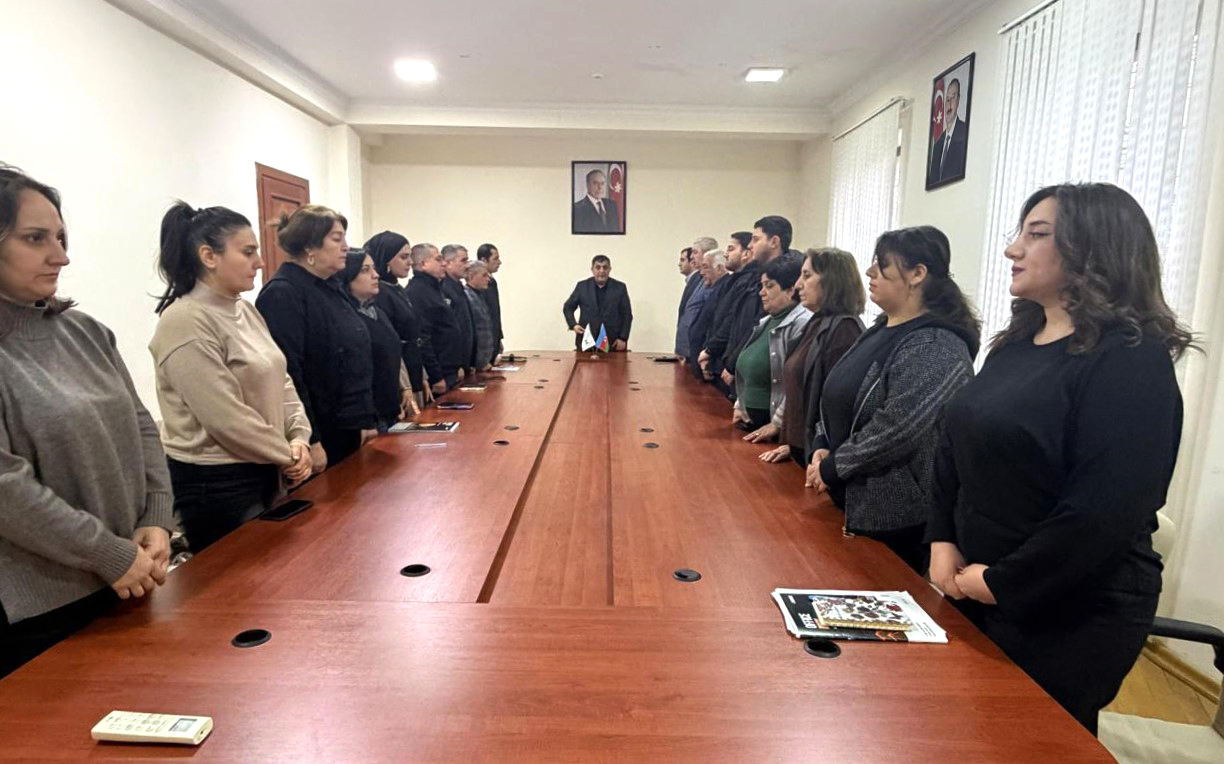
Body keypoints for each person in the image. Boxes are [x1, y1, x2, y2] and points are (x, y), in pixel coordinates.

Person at [928, 183, 1190, 735]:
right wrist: (942, 538)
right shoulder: (1017, 344)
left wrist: (1003, 581)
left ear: (1092, 249)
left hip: (1069, 609)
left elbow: (1104, 511)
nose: (1013, 249)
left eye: (1036, 234)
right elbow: (956, 442)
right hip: (976, 581)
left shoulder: (1130, 359)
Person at [0, 166, 174, 678]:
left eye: (60, 237)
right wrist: (106, 553)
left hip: (130, 574)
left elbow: (141, 425)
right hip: (39, 609)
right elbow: (6, 489)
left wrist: (156, 517)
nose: (61, 256)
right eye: (36, 239)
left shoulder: (86, 332)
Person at [806, 226, 979, 575]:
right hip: (844, 497)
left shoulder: (938, 344)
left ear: (917, 274)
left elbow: (898, 427)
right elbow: (836, 393)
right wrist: (822, 443)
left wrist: (835, 466)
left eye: (882, 264)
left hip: (894, 517)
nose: (870, 272)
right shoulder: (880, 328)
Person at [149, 202, 312, 552]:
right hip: (218, 484)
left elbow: (281, 380)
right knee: (242, 580)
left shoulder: (245, 310)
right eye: (248, 252)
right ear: (209, 256)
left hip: (268, 467)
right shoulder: (185, 320)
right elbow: (225, 418)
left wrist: (299, 437)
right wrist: (286, 453)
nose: (260, 262)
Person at [256, 205, 376, 468]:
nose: (346, 247)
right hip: (319, 432)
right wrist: (311, 439)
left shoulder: (330, 287)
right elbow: (290, 372)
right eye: (336, 239)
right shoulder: (283, 293)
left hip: (348, 425)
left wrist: (364, 420)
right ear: (310, 246)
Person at [757, 248, 865, 465]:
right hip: (801, 448)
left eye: (806, 276)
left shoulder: (844, 329)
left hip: (819, 458)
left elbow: (836, 405)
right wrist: (791, 443)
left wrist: (816, 450)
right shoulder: (817, 322)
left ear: (832, 280)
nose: (798, 284)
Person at [339, 248, 416, 432]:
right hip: (368, 416)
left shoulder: (377, 311)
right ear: (347, 277)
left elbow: (392, 352)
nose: (376, 275)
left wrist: (403, 388)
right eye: (365, 270)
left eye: (373, 268)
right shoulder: (346, 317)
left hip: (390, 408)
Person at [732, 252, 811, 431]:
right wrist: (739, 405)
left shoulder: (802, 323)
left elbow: (795, 382)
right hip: (749, 421)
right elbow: (747, 369)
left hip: (772, 429)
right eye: (762, 285)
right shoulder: (766, 321)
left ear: (790, 290)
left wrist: (776, 424)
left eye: (769, 286)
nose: (761, 292)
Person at [717, 216, 794, 389]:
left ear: (774, 241)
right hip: (740, 365)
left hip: (761, 375)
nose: (751, 245)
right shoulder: (753, 276)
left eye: (756, 239)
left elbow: (758, 326)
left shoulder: (787, 276)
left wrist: (733, 363)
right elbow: (735, 319)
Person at [365, 231, 442, 405]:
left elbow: (414, 336)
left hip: (413, 371)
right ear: (386, 259)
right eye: (403, 257)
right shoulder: (379, 294)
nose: (410, 262)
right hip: (398, 379)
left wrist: (422, 375)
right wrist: (405, 385)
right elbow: (390, 344)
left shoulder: (397, 289)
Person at [699, 231, 752, 394]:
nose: (726, 254)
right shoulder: (734, 281)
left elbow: (734, 323)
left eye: (731, 249)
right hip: (719, 360)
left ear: (746, 253)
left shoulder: (748, 283)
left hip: (728, 364)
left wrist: (710, 350)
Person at [407, 243, 464, 390]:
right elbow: (423, 337)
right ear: (423, 264)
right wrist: (436, 376)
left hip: (449, 370)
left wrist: (457, 365)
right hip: (439, 375)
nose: (444, 263)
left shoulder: (434, 288)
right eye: (438, 259)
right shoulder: (418, 292)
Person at [562, 255, 632, 350]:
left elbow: (627, 315)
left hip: (613, 342)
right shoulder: (582, 287)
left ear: (609, 269)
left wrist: (623, 338)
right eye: (598, 267)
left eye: (605, 267)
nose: (601, 271)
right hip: (586, 341)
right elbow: (568, 307)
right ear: (592, 269)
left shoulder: (619, 288)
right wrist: (573, 325)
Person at [687, 248, 729, 375]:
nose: (701, 272)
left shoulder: (725, 289)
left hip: (711, 361)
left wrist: (709, 352)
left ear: (719, 268)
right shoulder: (715, 288)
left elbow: (719, 325)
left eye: (705, 267)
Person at [676, 237, 717, 357]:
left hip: (698, 349)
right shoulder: (698, 279)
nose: (692, 257)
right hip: (686, 347)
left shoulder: (711, 281)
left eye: (695, 252)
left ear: (707, 254)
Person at [441, 244, 477, 378]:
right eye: (463, 260)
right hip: (453, 365)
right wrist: (457, 364)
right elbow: (449, 331)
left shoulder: (458, 286)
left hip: (465, 362)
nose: (467, 265)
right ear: (448, 263)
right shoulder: (444, 288)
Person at [928, 77, 967, 186]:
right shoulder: (937, 145)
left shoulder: (964, 133)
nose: (949, 104)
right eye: (947, 99)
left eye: (953, 98)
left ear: (958, 100)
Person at [464, 260, 497, 369]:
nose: (488, 279)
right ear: (472, 276)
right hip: (475, 362)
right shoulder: (467, 297)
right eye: (484, 275)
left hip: (485, 359)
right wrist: (477, 361)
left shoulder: (480, 295)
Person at [476, 243, 503, 359]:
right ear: (483, 260)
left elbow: (495, 312)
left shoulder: (492, 282)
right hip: (485, 342)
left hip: (494, 338)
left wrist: (499, 337)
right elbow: (484, 316)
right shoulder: (480, 285)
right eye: (495, 259)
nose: (499, 262)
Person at [572, 169, 620, 233]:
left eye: (602, 183)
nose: (600, 187)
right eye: (595, 183)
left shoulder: (612, 205)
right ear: (587, 185)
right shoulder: (577, 209)